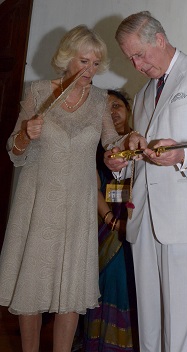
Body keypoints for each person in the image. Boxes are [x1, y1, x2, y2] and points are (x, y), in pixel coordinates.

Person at [0, 25, 139, 352]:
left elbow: (111, 143)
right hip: (38, 202)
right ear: (66, 59)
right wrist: (25, 134)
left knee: (71, 295)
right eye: (83, 61)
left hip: (78, 208)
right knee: (30, 289)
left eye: (95, 63)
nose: (90, 70)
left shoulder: (101, 100)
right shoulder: (37, 92)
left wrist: (127, 144)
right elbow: (13, 149)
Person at [104, 11, 187, 352]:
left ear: (159, 41)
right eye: (130, 58)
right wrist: (123, 161)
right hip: (145, 219)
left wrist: (182, 157)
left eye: (139, 55)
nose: (135, 65)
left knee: (179, 323)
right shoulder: (147, 91)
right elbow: (147, 157)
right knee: (147, 319)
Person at [72, 89, 139, 352]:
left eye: (118, 105)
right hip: (99, 226)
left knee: (130, 281)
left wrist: (131, 223)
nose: (113, 112)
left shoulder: (138, 143)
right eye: (106, 108)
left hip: (137, 224)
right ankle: (97, 343)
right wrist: (111, 220)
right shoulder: (94, 147)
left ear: (128, 110)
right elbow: (91, 188)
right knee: (108, 278)